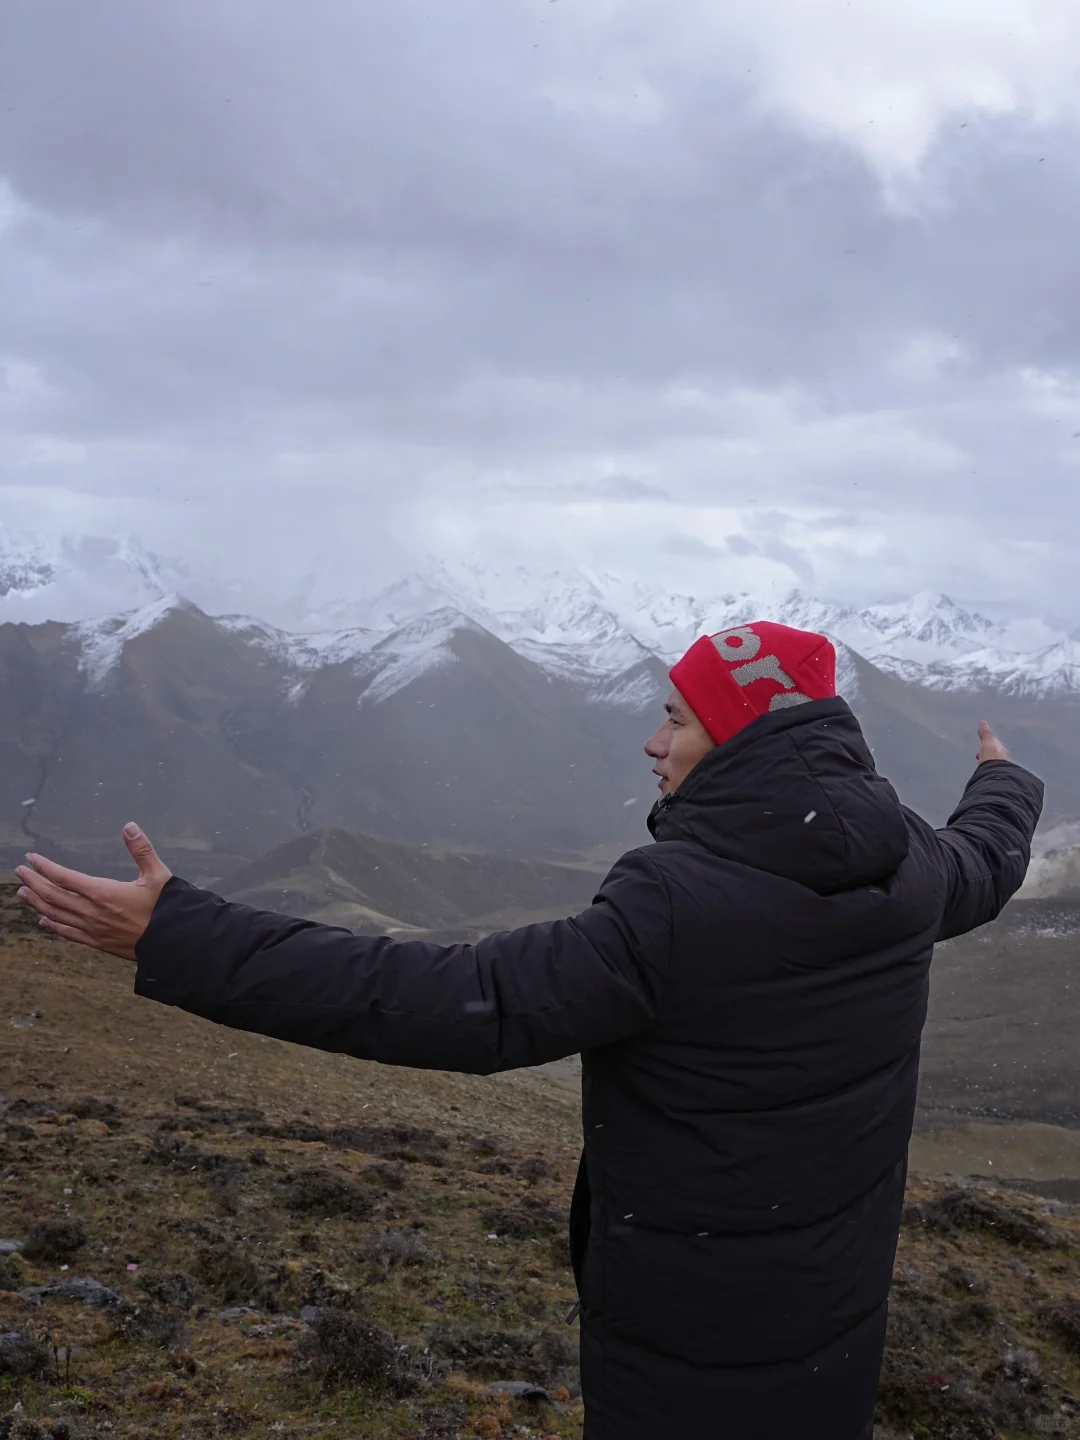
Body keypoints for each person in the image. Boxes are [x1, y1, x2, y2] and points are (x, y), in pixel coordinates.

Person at [15, 619, 1044, 1440]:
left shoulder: (679, 905)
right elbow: (985, 860)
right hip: (833, 1310)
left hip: (690, 1339)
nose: (651, 740)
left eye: (678, 721)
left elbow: (451, 999)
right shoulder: (905, 859)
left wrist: (182, 936)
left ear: (741, 743)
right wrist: (1004, 781)